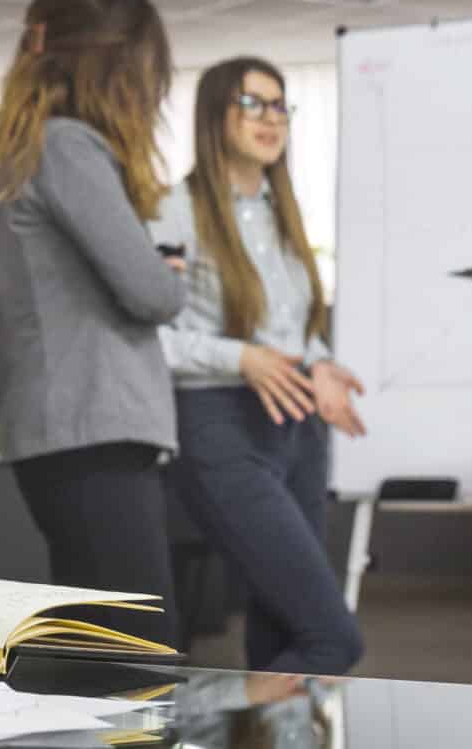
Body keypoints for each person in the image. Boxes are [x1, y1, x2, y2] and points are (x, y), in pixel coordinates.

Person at [0, 0, 185, 645]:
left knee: (97, 652)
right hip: (93, 430)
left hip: (64, 435)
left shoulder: (29, 148)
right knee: (140, 652)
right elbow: (151, 290)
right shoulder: (67, 146)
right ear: (114, 69)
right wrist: (169, 269)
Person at [149, 58, 365, 675]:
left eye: (280, 106)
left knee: (282, 630)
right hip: (221, 425)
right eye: (253, 104)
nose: (271, 119)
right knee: (332, 638)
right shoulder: (174, 211)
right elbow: (148, 339)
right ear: (215, 114)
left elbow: (294, 330)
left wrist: (320, 364)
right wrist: (239, 357)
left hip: (297, 429)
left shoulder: (281, 213)